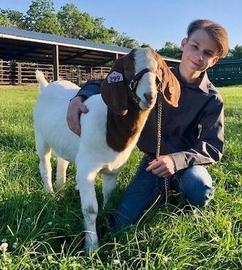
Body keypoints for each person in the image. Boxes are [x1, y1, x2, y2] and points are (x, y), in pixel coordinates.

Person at [67, 19, 229, 230]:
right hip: (153, 163)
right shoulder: (153, 74)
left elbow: (213, 147)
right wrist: (79, 97)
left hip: (187, 163)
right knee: (121, 224)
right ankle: (157, 189)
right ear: (183, 43)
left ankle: (183, 202)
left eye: (208, 53)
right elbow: (106, 82)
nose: (199, 56)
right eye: (195, 47)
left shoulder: (212, 99)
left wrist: (177, 160)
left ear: (214, 60)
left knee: (199, 187)